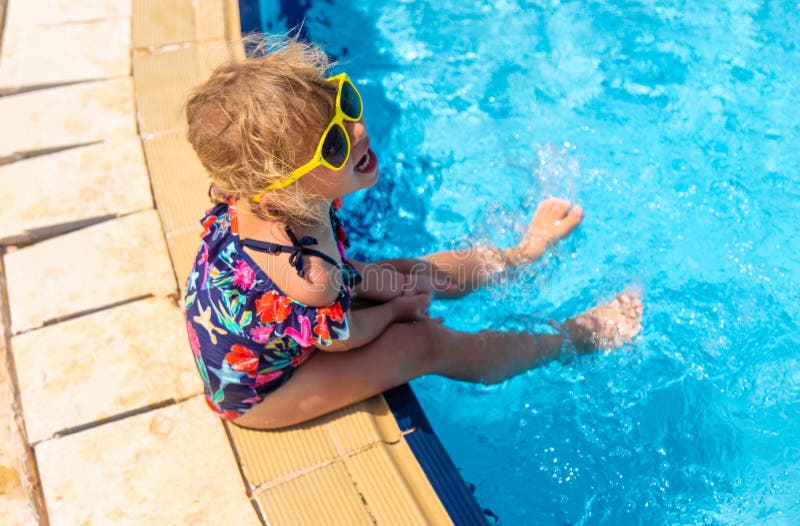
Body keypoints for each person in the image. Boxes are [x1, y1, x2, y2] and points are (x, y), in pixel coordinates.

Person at [183, 37, 642, 429]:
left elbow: (340, 288)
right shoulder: (309, 276)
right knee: (420, 345)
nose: (359, 129)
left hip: (287, 322)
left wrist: (396, 286)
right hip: (261, 393)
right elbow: (342, 336)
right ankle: (575, 337)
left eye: (342, 105)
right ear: (285, 186)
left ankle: (522, 254)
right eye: (335, 143)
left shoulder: (273, 196)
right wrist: (394, 310)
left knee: (411, 273)